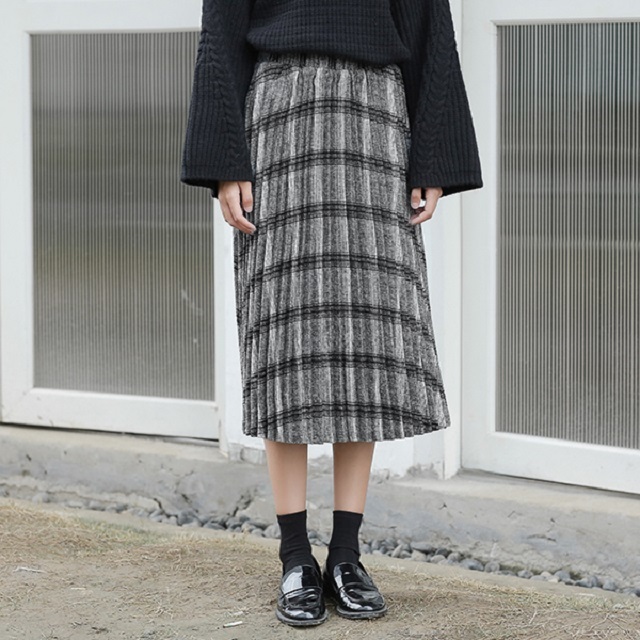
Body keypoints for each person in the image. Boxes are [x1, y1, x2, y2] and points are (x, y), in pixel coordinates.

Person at [180, 0, 482, 627]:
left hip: (376, 117)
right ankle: (295, 555)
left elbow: (429, 26)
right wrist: (224, 161)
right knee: (285, 334)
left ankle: (346, 554)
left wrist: (434, 156)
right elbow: (221, 31)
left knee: (364, 335)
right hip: (279, 114)